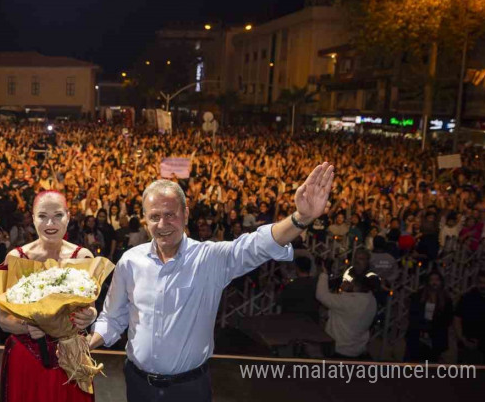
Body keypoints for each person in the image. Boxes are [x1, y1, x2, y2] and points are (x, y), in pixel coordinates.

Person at [89, 162, 335, 402]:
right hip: (138, 386)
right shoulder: (130, 261)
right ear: (144, 219)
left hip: (189, 390)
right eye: (154, 217)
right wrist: (87, 344)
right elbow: (112, 318)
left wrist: (300, 218)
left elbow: (257, 245)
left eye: (170, 215)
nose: (162, 225)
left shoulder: (209, 259)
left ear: (186, 214)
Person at [0, 191, 98, 402]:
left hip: (70, 358)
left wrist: (90, 315)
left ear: (68, 216)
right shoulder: (16, 258)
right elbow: (3, 320)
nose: (50, 222)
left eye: (58, 215)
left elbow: (91, 309)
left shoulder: (83, 257)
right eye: (42, 216)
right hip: (27, 357)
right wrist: (27, 327)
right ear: (32, 218)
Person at [315, 263, 377, 359]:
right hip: (358, 348)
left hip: (340, 349)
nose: (345, 283)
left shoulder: (348, 301)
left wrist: (324, 274)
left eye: (349, 282)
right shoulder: (371, 299)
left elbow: (321, 295)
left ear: (356, 286)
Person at [405, 271, 452, 362]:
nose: (434, 283)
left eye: (437, 280)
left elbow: (447, 319)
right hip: (417, 335)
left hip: (435, 336)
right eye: (431, 280)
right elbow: (413, 315)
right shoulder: (418, 296)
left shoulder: (446, 299)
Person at [276, 256, 319, 322]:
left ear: (297, 268)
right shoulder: (316, 284)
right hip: (311, 322)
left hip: (292, 321)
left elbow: (279, 300)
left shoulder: (292, 285)